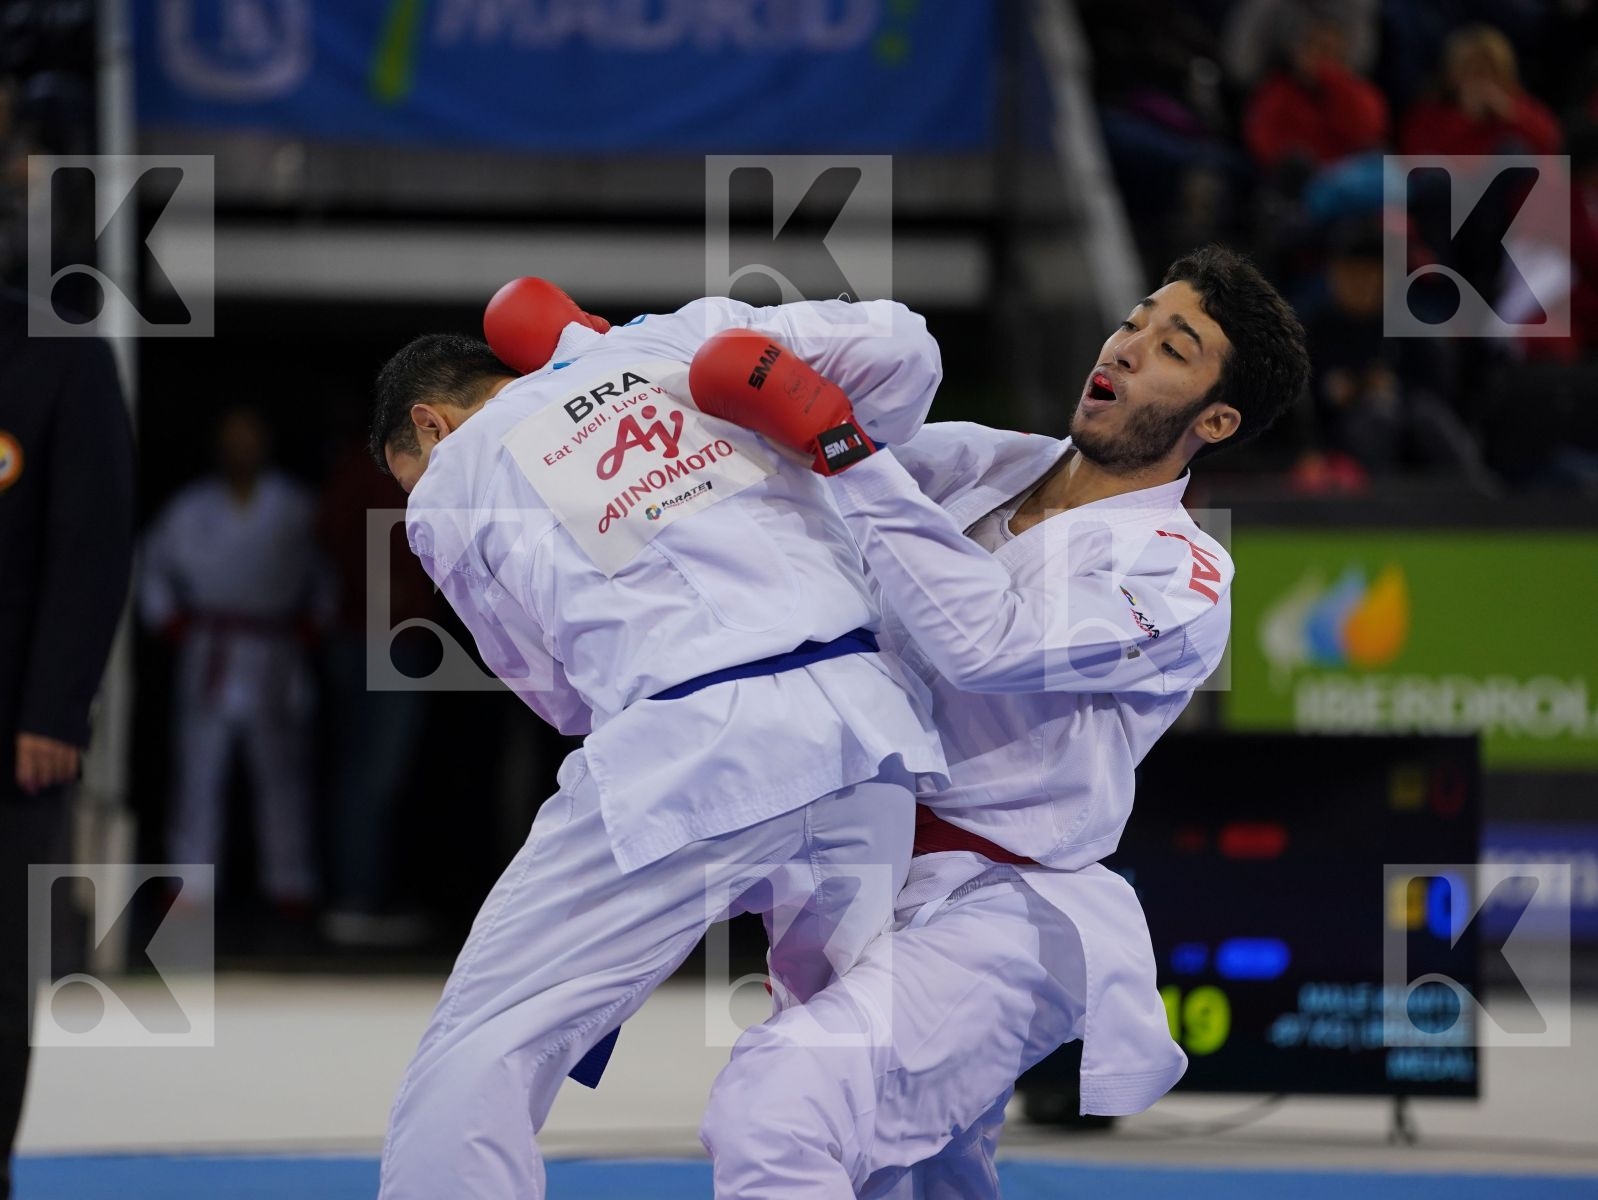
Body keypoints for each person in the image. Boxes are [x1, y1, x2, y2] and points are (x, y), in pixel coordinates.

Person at [692, 246, 1311, 1196]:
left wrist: (846, 446)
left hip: (1001, 907)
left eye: (1172, 346)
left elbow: (985, 641)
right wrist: (618, 367)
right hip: (858, 871)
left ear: (1215, 419)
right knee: (908, 1178)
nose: (1128, 347)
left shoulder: (1180, 572)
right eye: (1135, 321)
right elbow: (788, 479)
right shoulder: (985, 463)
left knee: (777, 1107)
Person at [369, 287, 948, 1199]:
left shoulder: (457, 470)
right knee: (849, 1043)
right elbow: (908, 350)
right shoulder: (687, 332)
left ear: (430, 425)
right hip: (867, 733)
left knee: (491, 1038)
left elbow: (557, 691)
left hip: (692, 747)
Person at [0, 291, 134, 1200]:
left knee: (0, 973)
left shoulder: (55, 353)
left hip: (12, 730)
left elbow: (92, 543)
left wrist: (55, 706)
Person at [140, 406, 332, 912]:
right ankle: (190, 883)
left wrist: (318, 618)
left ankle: (289, 881)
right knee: (199, 772)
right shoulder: (190, 507)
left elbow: (325, 571)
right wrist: (167, 620)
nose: (240, 449)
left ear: (265, 445)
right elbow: (152, 567)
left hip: (274, 649)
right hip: (211, 647)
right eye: (232, 439)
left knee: (282, 773)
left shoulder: (295, 506)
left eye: (249, 439)